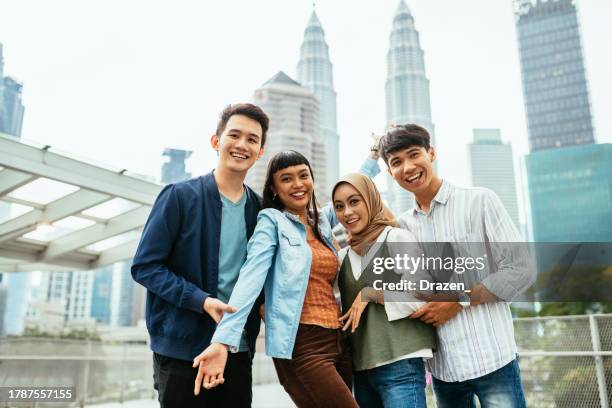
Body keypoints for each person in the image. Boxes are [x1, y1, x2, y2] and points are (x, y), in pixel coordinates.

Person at [192, 150, 379, 407]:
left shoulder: (321, 222)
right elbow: (251, 276)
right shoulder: (271, 222)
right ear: (274, 188)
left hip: (338, 340)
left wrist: (374, 155)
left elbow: (354, 185)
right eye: (287, 178)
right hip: (301, 343)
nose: (298, 184)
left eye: (304, 175)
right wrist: (223, 339)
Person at [376, 124, 534, 408]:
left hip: (494, 361)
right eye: (396, 162)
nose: (408, 167)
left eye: (414, 155)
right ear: (389, 172)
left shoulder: (479, 201)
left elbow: (521, 269)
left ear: (431, 153)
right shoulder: (402, 227)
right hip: (444, 372)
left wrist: (458, 300)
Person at [131, 103, 270, 407]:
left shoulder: (261, 212)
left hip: (237, 348)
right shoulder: (179, 197)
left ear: (260, 152)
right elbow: (145, 267)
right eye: (234, 135)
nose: (242, 145)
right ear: (216, 141)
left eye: (252, 139)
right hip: (183, 350)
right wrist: (201, 300)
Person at [332, 173, 436, 408]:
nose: (347, 212)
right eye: (339, 206)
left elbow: (423, 296)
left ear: (371, 199)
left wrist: (372, 293)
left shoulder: (396, 238)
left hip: (401, 365)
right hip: (361, 371)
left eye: (354, 201)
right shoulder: (342, 258)